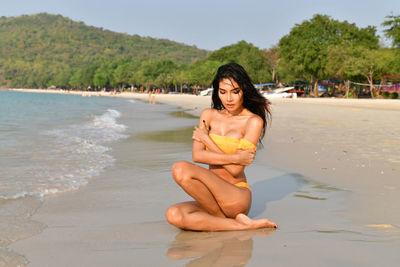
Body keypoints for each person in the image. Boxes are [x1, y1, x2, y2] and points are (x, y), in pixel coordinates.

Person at [165, 63, 277, 231]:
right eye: (223, 92)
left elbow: (234, 171)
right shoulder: (208, 115)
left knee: (180, 169)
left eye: (235, 92)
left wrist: (208, 141)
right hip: (210, 197)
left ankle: (222, 218)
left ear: (244, 90)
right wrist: (236, 157)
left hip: (235, 195)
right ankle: (239, 225)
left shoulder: (253, 121)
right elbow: (197, 156)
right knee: (173, 214)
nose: (228, 99)